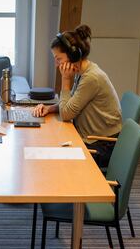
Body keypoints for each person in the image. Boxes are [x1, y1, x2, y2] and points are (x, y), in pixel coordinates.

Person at [32, 24, 122, 168]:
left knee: (51, 158)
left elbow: (66, 114)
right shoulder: (84, 72)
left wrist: (65, 80)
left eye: (58, 59)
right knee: (45, 146)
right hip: (92, 139)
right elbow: (71, 104)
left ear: (73, 55)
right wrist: (50, 109)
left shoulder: (91, 78)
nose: (56, 65)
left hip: (101, 145)